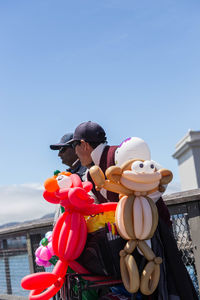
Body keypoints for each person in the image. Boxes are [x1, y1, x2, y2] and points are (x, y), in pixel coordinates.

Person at [69, 122, 198, 300]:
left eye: (74, 147)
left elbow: (159, 175)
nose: (75, 153)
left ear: (83, 145)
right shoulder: (92, 173)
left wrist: (137, 201)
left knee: (163, 284)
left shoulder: (120, 154)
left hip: (152, 230)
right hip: (126, 239)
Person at [68, 121, 119, 203]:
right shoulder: (89, 175)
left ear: (84, 145)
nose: (76, 152)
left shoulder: (118, 155)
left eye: (74, 145)